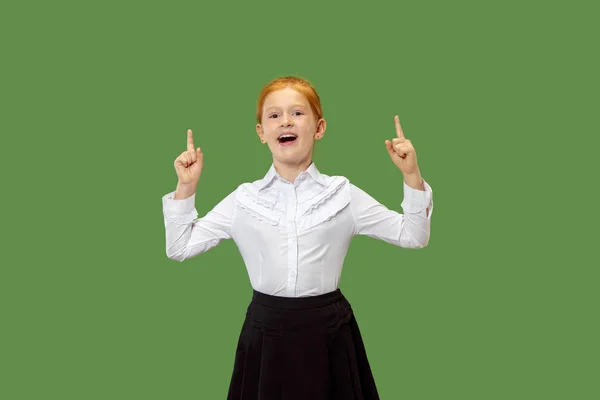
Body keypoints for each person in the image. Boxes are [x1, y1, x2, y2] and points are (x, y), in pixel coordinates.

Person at [162, 76, 433, 399]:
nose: (285, 121)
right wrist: (187, 188)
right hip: (265, 334)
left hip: (330, 333)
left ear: (319, 128)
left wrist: (411, 176)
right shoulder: (243, 199)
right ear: (261, 132)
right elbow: (179, 247)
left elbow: (413, 235)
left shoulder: (343, 194)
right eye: (273, 115)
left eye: (297, 113)